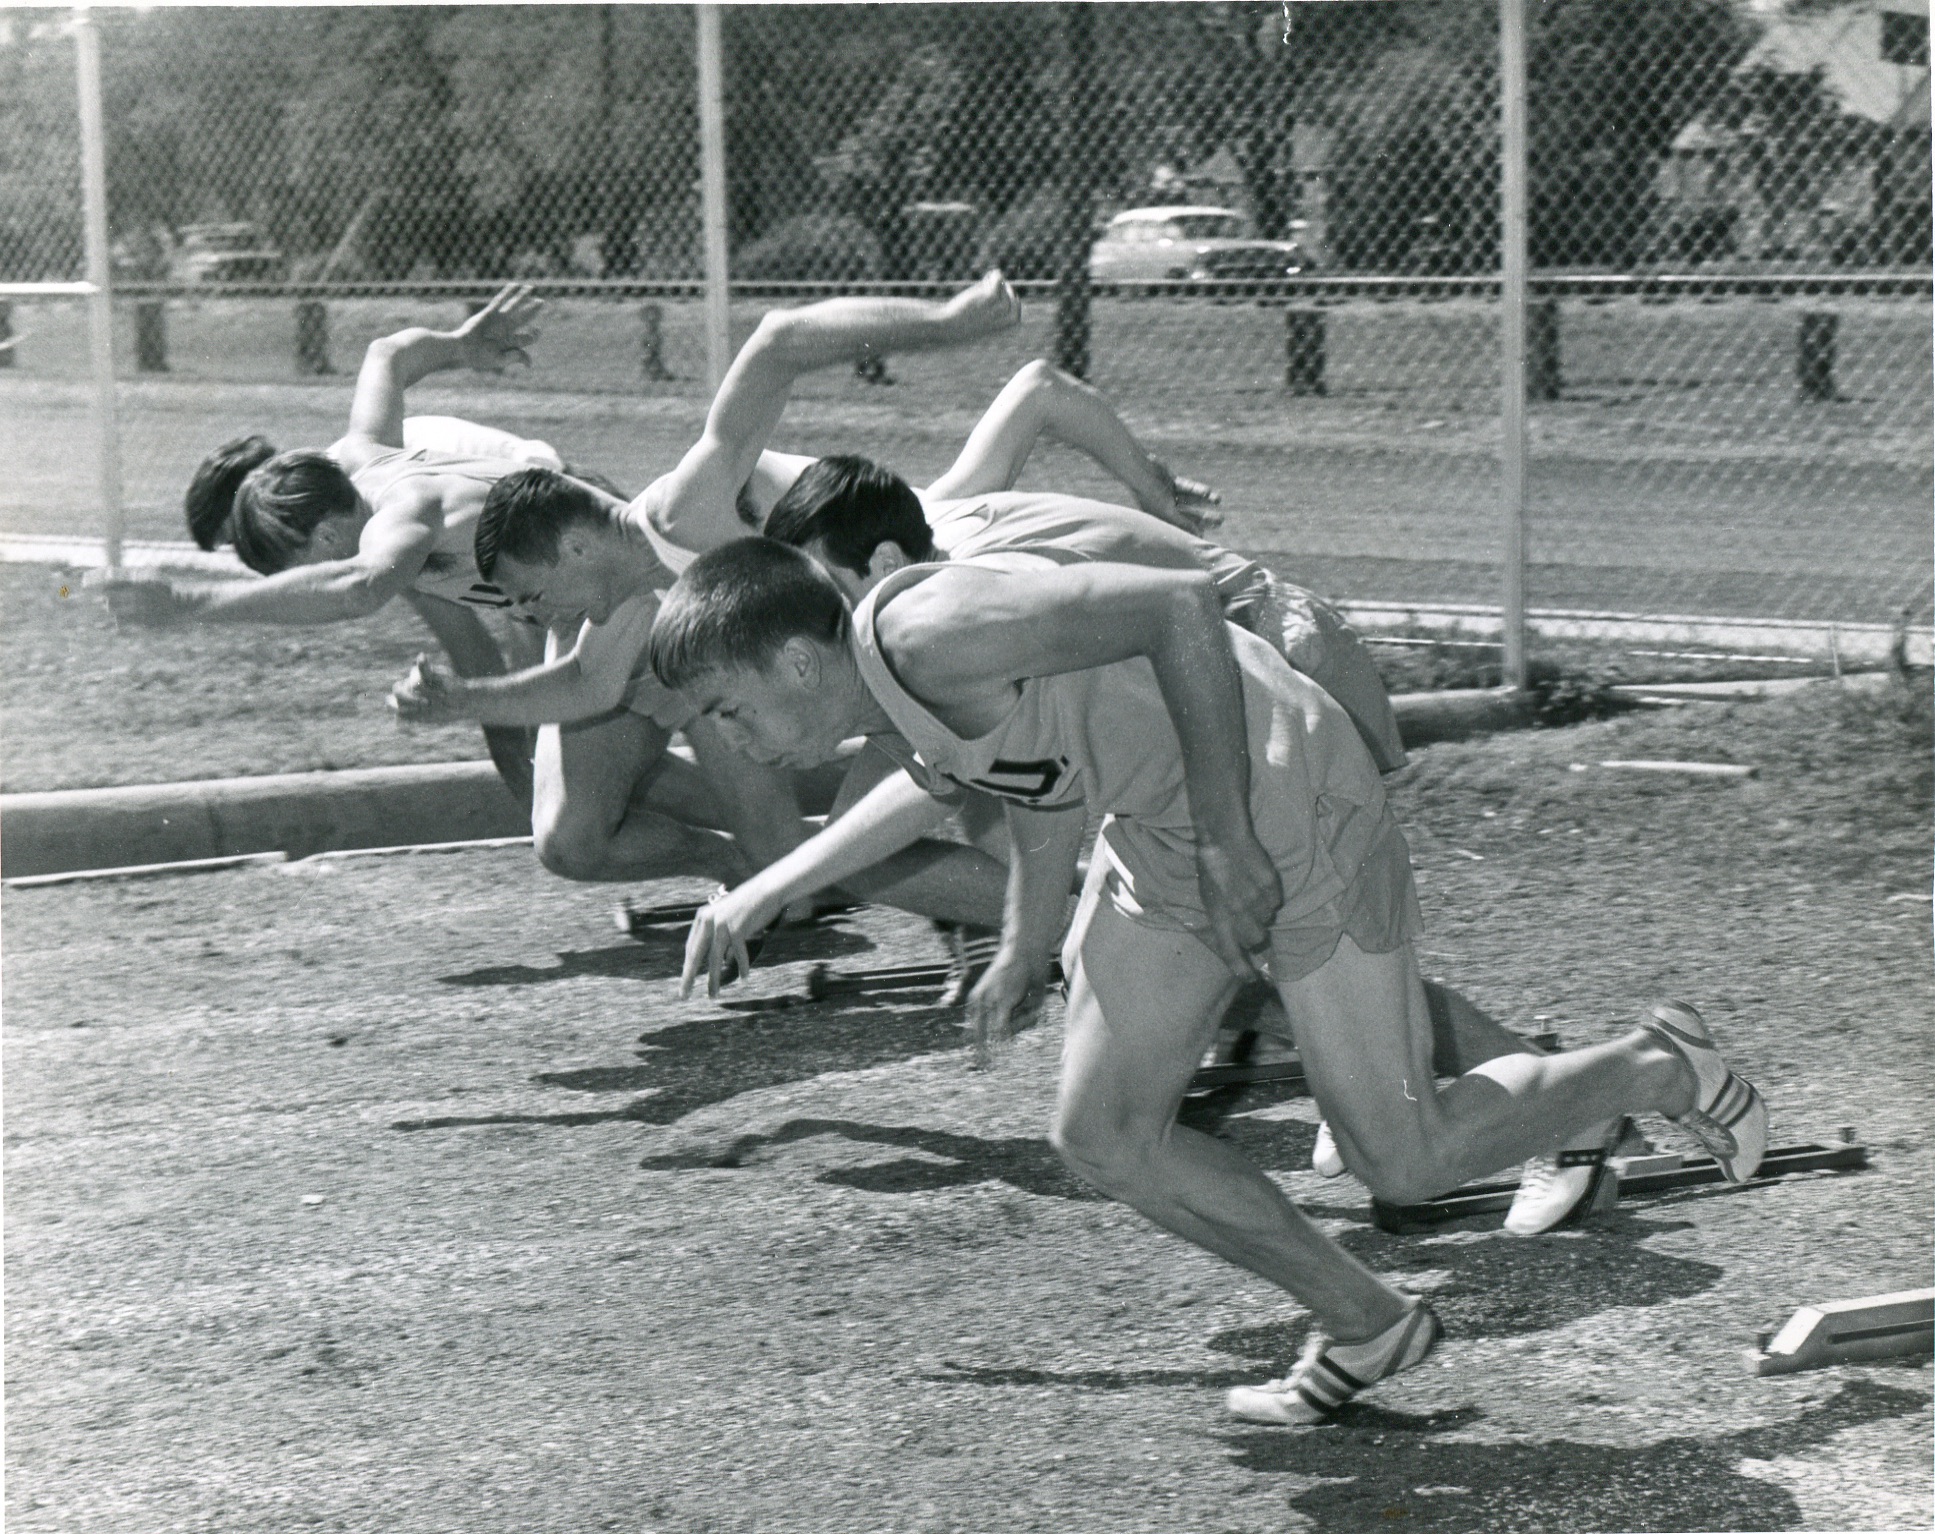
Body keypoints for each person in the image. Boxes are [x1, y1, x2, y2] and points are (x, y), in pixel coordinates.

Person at [648, 537, 1769, 1426]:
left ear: (796, 661)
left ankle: (1660, 1064)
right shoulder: (897, 707)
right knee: (1105, 1134)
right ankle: (1367, 1320)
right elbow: (1043, 783)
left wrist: (1233, 838)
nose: (736, 745)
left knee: (1404, 1157)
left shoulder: (927, 633)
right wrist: (1026, 944)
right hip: (1166, 832)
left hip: (1289, 797)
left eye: (729, 711)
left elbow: (1181, 604)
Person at [384, 273, 1029, 894]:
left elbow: (777, 343)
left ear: (575, 546)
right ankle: (1050, 923)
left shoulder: (681, 513)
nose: (536, 613)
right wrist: (462, 700)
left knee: (934, 787)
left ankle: (1048, 927)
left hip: (953, 580)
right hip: (899, 648)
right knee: (848, 853)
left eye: (534, 593)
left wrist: (951, 321)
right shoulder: (632, 602)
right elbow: (585, 683)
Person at [94, 287, 566, 805]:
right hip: (546, 539)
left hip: (557, 521)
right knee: (559, 743)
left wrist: (187, 604)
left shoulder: (379, 517)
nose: (256, 561)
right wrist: (459, 346)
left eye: (254, 538)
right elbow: (387, 353)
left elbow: (358, 591)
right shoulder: (358, 473)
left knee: (561, 738)